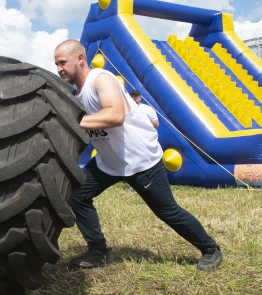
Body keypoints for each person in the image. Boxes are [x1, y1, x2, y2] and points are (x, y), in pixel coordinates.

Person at [54, 40, 222, 271]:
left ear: (80, 58)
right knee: (78, 196)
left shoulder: (101, 79)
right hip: (109, 163)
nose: (59, 68)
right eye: (57, 64)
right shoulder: (76, 93)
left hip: (140, 160)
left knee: (167, 212)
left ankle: (210, 249)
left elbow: (115, 115)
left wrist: (72, 121)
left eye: (63, 62)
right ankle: (98, 250)